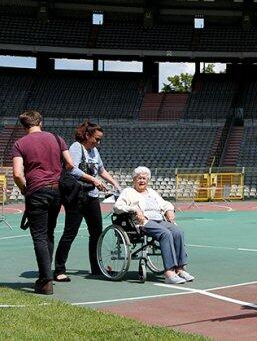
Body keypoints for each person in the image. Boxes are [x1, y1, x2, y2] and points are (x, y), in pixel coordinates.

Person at [11, 110, 75, 294]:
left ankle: (45, 280)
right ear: (40, 122)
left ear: (24, 126)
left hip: (36, 190)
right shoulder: (57, 138)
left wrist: (24, 189)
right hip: (56, 191)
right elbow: (70, 164)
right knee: (49, 233)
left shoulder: (20, 143)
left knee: (39, 236)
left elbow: (17, 173)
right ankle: (45, 275)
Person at [54, 121, 119, 281]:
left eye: (100, 139)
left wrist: (115, 183)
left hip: (92, 197)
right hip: (76, 196)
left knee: (97, 233)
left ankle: (96, 268)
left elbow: (101, 170)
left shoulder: (94, 150)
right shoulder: (76, 147)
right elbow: (72, 168)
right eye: (96, 139)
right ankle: (59, 270)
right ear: (87, 135)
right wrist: (93, 180)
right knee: (70, 232)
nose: (98, 142)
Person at [113, 166, 193, 284]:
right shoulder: (128, 192)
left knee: (177, 232)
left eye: (144, 178)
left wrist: (169, 210)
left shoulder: (152, 192)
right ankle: (169, 272)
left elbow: (164, 204)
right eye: (139, 178)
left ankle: (180, 269)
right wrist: (135, 209)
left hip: (159, 220)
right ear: (134, 179)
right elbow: (117, 207)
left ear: (148, 180)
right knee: (165, 234)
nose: (142, 181)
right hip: (143, 221)